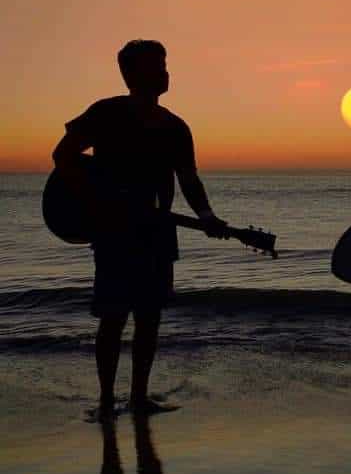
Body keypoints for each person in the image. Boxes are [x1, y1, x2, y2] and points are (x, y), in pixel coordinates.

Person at [52, 39, 227, 417]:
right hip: (113, 232)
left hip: (157, 231)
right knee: (113, 318)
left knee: (149, 318)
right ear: (131, 74)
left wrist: (207, 215)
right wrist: (94, 201)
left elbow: (189, 179)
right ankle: (104, 401)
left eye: (166, 64)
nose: (165, 72)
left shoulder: (176, 127)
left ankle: (138, 398)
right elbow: (63, 156)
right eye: (157, 65)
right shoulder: (105, 113)